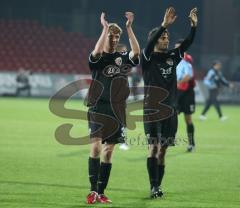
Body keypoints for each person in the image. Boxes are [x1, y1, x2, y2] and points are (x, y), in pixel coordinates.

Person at [141, 7, 197, 198]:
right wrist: (163, 24)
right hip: (152, 109)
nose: (166, 39)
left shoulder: (173, 56)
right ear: (155, 39)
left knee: (163, 151)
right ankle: (153, 187)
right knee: (154, 147)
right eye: (163, 37)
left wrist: (194, 26)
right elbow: (147, 46)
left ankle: (158, 186)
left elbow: (188, 43)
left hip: (171, 111)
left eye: (167, 37)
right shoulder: (147, 58)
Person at [86, 12, 140, 204]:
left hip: (117, 109)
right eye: (112, 35)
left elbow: (136, 53)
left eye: (117, 36)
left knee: (108, 151)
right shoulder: (98, 58)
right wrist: (104, 29)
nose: (115, 39)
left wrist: (129, 28)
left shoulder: (122, 57)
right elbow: (96, 51)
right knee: (95, 147)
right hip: (98, 106)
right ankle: (92, 190)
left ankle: (101, 192)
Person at [175, 41, 196, 152]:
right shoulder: (173, 59)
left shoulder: (187, 60)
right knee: (172, 116)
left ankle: (191, 143)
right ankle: (169, 140)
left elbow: (189, 75)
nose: (177, 50)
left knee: (188, 119)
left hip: (187, 93)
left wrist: (178, 82)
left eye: (179, 48)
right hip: (177, 92)